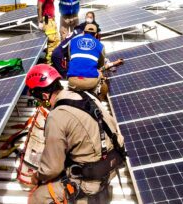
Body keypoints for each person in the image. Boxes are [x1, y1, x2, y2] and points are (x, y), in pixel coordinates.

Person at [25, 64, 126, 204]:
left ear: (44, 95)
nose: (39, 103)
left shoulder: (56, 116)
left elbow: (52, 169)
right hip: (112, 165)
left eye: (38, 100)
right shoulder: (84, 95)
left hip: (92, 181)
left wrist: (37, 176)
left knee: (37, 198)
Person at [67, 23, 105, 92]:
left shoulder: (72, 41)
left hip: (73, 81)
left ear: (83, 32)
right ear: (96, 34)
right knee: (99, 73)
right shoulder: (100, 45)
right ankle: (95, 93)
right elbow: (101, 64)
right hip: (89, 83)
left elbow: (70, 58)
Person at [38, 0, 61, 64]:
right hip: (47, 20)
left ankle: (56, 61)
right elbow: (39, 6)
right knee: (52, 42)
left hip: (52, 19)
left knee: (57, 41)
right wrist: (40, 21)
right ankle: (50, 63)